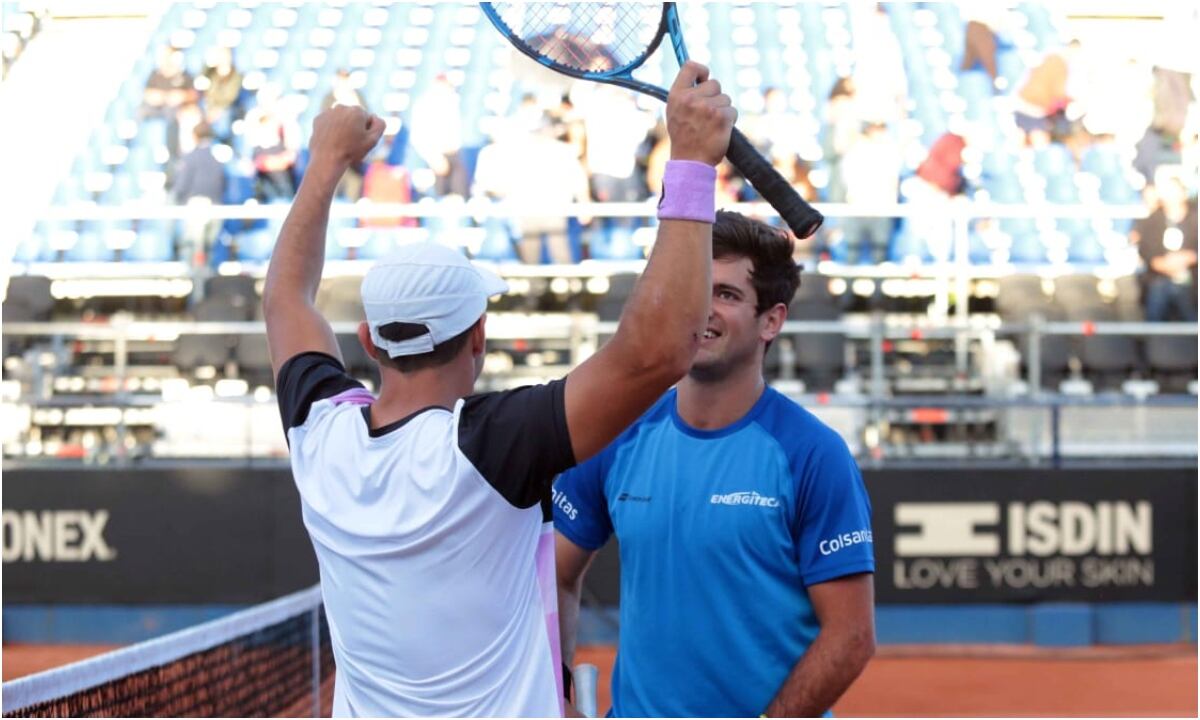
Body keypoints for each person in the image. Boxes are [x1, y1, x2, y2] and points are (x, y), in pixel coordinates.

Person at [262, 62, 735, 717]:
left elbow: (286, 296)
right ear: (478, 337)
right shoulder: (490, 446)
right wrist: (689, 161)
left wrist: (324, 163)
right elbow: (659, 351)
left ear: (369, 342)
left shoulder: (319, 433)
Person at [554, 212, 876, 718]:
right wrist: (561, 696)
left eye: (725, 294)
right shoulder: (616, 434)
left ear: (772, 320)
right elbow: (551, 576)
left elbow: (851, 637)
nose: (702, 308)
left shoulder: (813, 454)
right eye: (696, 288)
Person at [1132, 170, 1198, 321]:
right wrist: (1161, 263)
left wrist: (1190, 257)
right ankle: (1152, 339)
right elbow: (1146, 249)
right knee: (1158, 295)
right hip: (1159, 277)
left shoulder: (1195, 217)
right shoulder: (1153, 220)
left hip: (1192, 277)